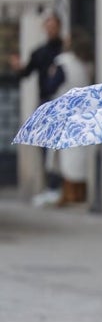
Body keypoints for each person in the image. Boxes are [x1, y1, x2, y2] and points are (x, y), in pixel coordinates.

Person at [10, 13, 65, 205]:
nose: (50, 29)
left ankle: (60, 186)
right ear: (44, 28)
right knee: (45, 143)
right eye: (48, 26)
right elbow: (26, 73)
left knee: (61, 145)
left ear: (58, 27)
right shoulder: (39, 52)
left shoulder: (64, 51)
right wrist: (18, 67)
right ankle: (51, 185)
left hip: (63, 101)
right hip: (45, 101)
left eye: (53, 26)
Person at [47, 27, 95, 205]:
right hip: (83, 112)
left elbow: (51, 86)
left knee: (66, 155)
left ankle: (68, 193)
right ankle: (79, 193)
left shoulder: (63, 62)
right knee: (79, 154)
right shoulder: (88, 62)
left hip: (65, 112)